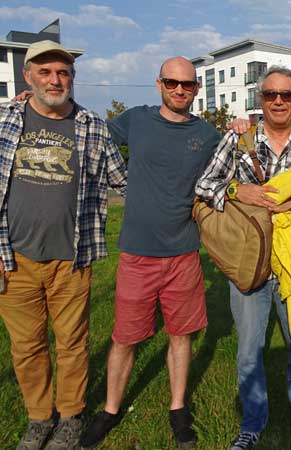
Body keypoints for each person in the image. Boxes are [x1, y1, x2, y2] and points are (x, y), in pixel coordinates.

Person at [79, 57, 221, 450]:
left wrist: (243, 127)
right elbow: (87, 133)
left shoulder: (207, 134)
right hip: (137, 253)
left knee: (181, 335)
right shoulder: (135, 120)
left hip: (184, 252)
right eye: (172, 83)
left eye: (187, 85)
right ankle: (110, 409)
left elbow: (232, 164)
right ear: (158, 83)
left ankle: (178, 408)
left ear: (196, 89)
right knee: (125, 337)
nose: (180, 90)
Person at [196, 65, 291, 450]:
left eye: (287, 95)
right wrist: (238, 192)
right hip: (249, 261)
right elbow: (206, 185)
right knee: (248, 351)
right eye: (271, 94)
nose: (278, 101)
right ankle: (252, 425)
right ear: (260, 99)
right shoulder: (238, 140)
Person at [0, 40, 127, 450]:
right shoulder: (5, 119)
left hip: (72, 259)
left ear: (72, 77)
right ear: (28, 76)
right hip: (13, 257)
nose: (55, 80)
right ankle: (39, 419)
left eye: (63, 73)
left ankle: (70, 417)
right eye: (46, 72)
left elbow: (123, 180)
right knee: (27, 345)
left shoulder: (91, 125)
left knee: (73, 342)